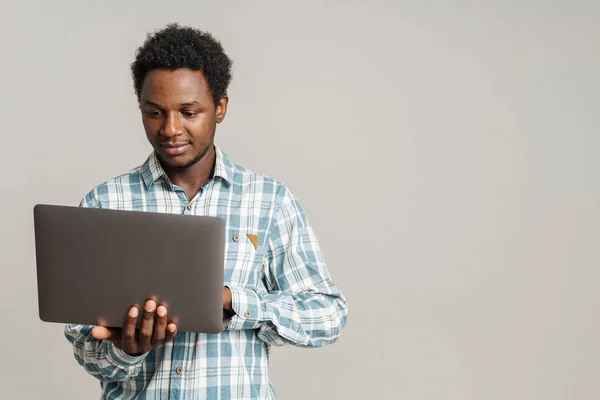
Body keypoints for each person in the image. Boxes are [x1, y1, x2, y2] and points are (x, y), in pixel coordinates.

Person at [64, 23, 348, 399]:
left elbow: (327, 316)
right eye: (154, 112)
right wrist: (125, 349)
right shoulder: (104, 203)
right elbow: (86, 346)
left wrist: (232, 301)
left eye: (188, 112)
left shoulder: (269, 200)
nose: (170, 129)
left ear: (220, 108)